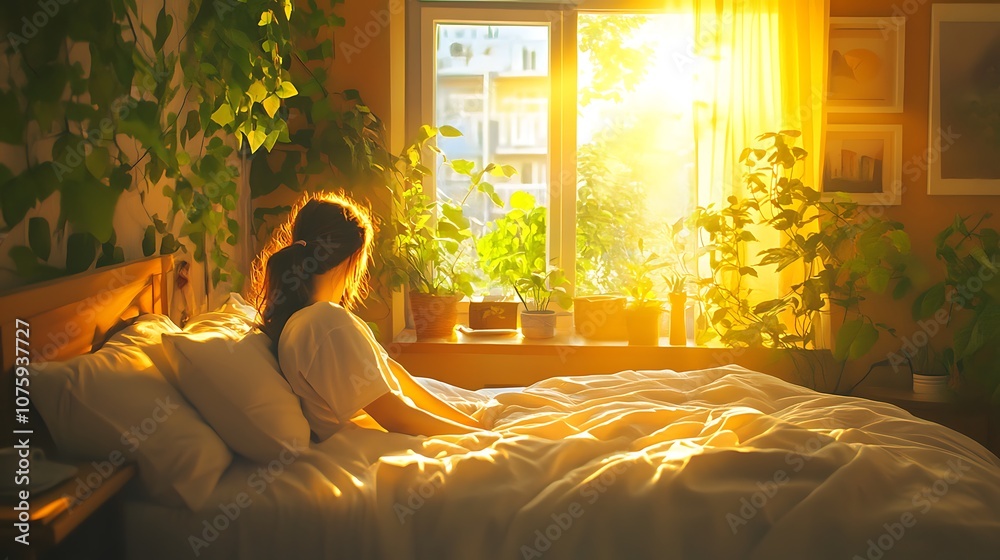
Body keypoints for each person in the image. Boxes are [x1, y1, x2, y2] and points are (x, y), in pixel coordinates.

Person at [252, 192, 481, 440]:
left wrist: (474, 426)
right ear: (353, 258)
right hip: (380, 448)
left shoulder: (312, 319)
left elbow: (397, 377)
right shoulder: (324, 323)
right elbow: (397, 417)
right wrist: (481, 439)